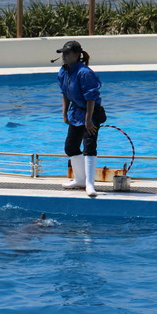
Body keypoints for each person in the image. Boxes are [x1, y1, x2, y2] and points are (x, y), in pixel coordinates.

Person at [57, 40, 104, 197]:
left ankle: (90, 184)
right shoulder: (63, 71)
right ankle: (80, 179)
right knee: (70, 147)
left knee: (89, 147)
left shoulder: (84, 72)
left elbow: (91, 98)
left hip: (91, 113)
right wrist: (64, 113)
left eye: (67, 53)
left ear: (77, 55)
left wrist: (89, 119)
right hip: (76, 113)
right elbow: (65, 94)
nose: (64, 56)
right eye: (63, 53)